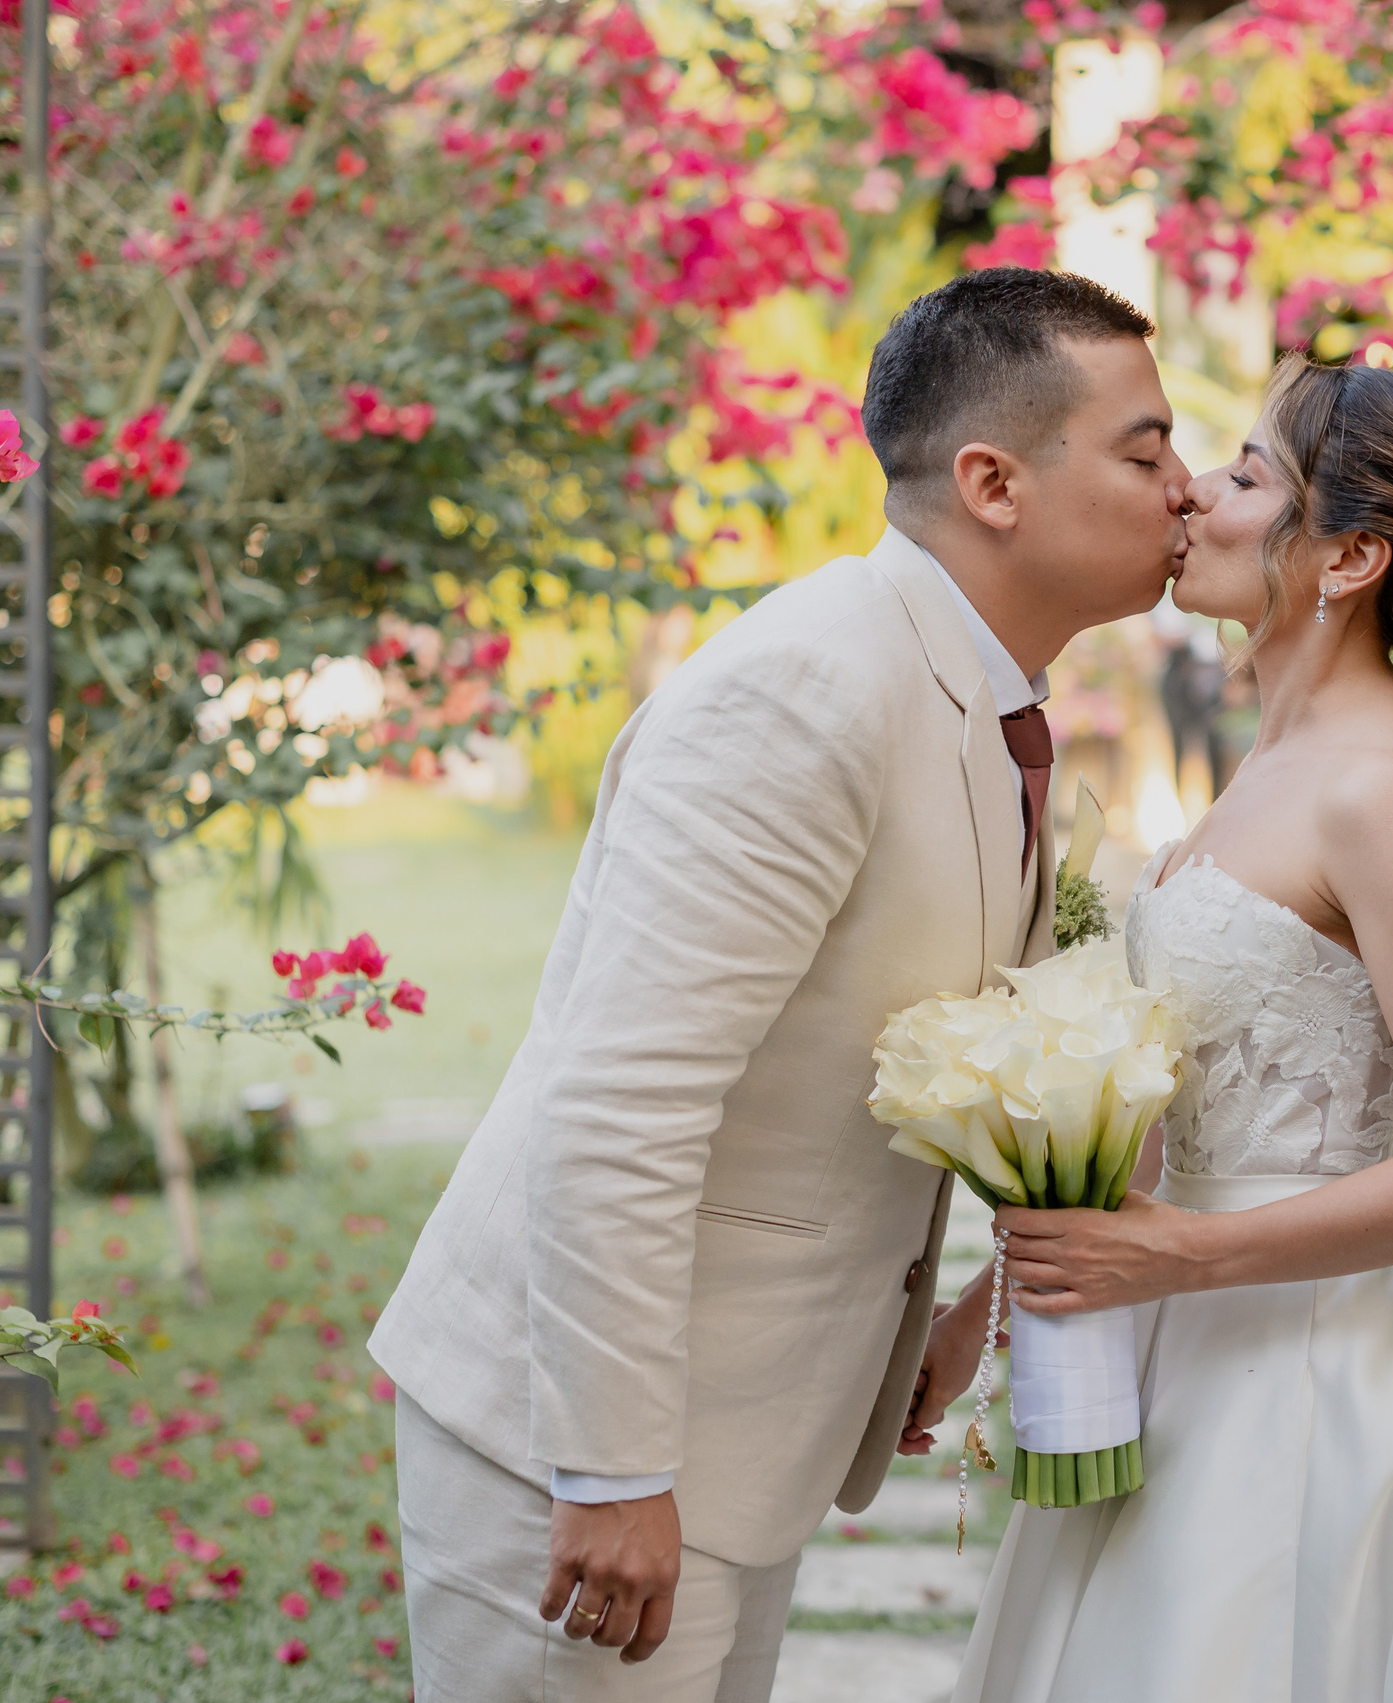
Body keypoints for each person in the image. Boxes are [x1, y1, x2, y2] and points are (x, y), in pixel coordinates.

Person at [366, 267, 1192, 1703]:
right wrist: (611, 1469)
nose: (1186, 489)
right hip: (577, 1449)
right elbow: (620, 1098)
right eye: (1146, 450)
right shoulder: (806, 690)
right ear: (993, 483)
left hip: (742, 1439)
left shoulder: (984, 699)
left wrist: (945, 1317)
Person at [920, 353, 1393, 1703]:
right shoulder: (1270, 766)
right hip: (1186, 1333)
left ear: (1348, 556)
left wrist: (1188, 1255)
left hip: (1322, 1366)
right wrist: (980, 1320)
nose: (1190, 495)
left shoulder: (1375, 790)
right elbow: (1174, 1121)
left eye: (1241, 476)